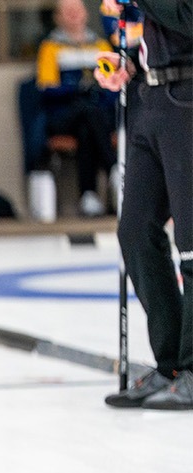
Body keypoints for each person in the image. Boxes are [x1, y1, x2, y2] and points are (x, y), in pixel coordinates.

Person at [97, 0, 192, 409]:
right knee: (135, 230)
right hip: (152, 98)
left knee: (191, 242)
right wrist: (130, 64)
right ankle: (170, 364)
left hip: (188, 99)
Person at [35, 0, 117, 217]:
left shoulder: (100, 46)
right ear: (57, 17)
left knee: (87, 127)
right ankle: (113, 168)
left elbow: (112, 86)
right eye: (67, 11)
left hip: (94, 116)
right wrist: (78, 89)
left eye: (76, 10)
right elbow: (47, 89)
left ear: (85, 14)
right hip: (64, 116)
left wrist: (93, 92)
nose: (73, 15)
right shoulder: (50, 47)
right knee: (87, 111)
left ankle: (88, 195)